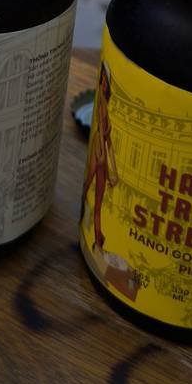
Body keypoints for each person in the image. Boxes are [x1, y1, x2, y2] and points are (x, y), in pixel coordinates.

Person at [81, 61, 118, 250]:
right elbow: (104, 139)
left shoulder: (105, 105)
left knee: (97, 201)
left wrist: (114, 171)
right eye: (102, 78)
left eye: (105, 80)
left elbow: (109, 143)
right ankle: (96, 237)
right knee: (89, 188)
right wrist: (104, 161)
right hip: (98, 150)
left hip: (100, 152)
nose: (103, 82)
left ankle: (98, 239)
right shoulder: (102, 101)